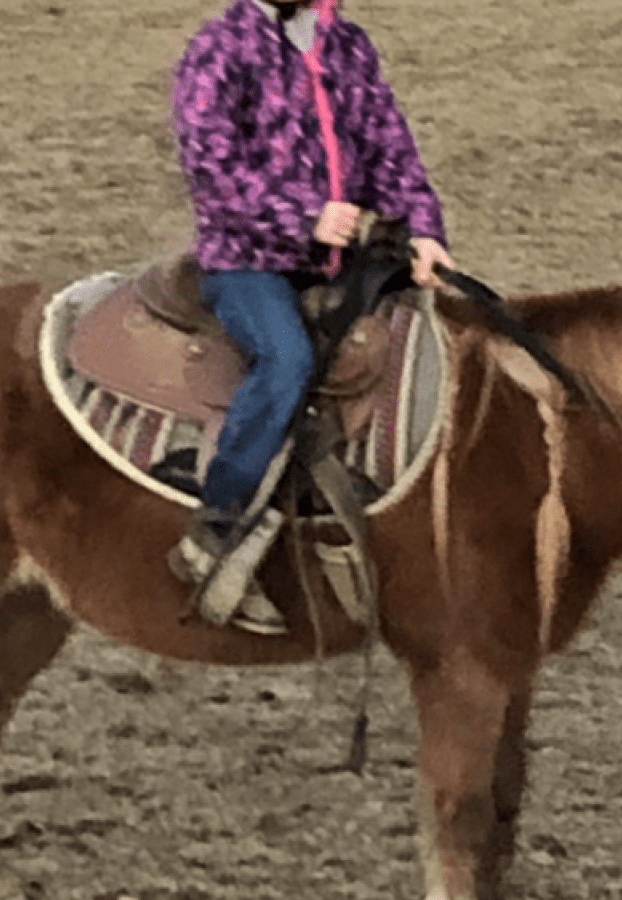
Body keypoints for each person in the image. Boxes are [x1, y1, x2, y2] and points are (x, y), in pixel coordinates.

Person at [169, 0, 455, 635]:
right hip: (245, 261)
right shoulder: (220, 49)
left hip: (335, 261)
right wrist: (304, 218)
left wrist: (425, 229)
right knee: (286, 360)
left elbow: (390, 149)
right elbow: (210, 168)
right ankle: (215, 530)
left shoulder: (347, 46)